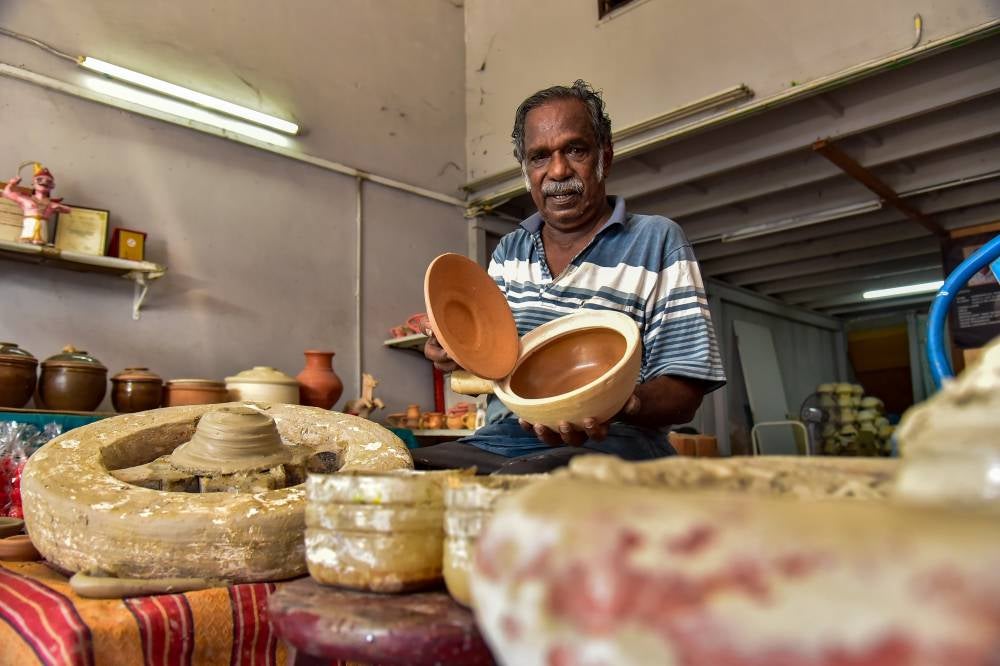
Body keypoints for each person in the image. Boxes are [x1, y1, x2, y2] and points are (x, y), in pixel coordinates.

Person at [414, 80, 725, 474]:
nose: (558, 170)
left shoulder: (656, 241)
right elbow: (490, 365)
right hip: (503, 439)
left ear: (604, 158)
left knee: (521, 487)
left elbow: (686, 390)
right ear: (526, 170)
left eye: (575, 150)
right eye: (540, 157)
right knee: (404, 470)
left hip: (616, 441)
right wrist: (452, 351)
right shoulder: (511, 251)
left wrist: (614, 402)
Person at [2, 163, 70, 245]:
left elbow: (68, 210)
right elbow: (6, 193)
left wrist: (56, 207)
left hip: (42, 236)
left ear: (52, 186)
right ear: (33, 183)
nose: (44, 182)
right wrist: (12, 183)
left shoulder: (52, 204)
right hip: (26, 234)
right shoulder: (25, 199)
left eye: (49, 181)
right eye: (39, 179)